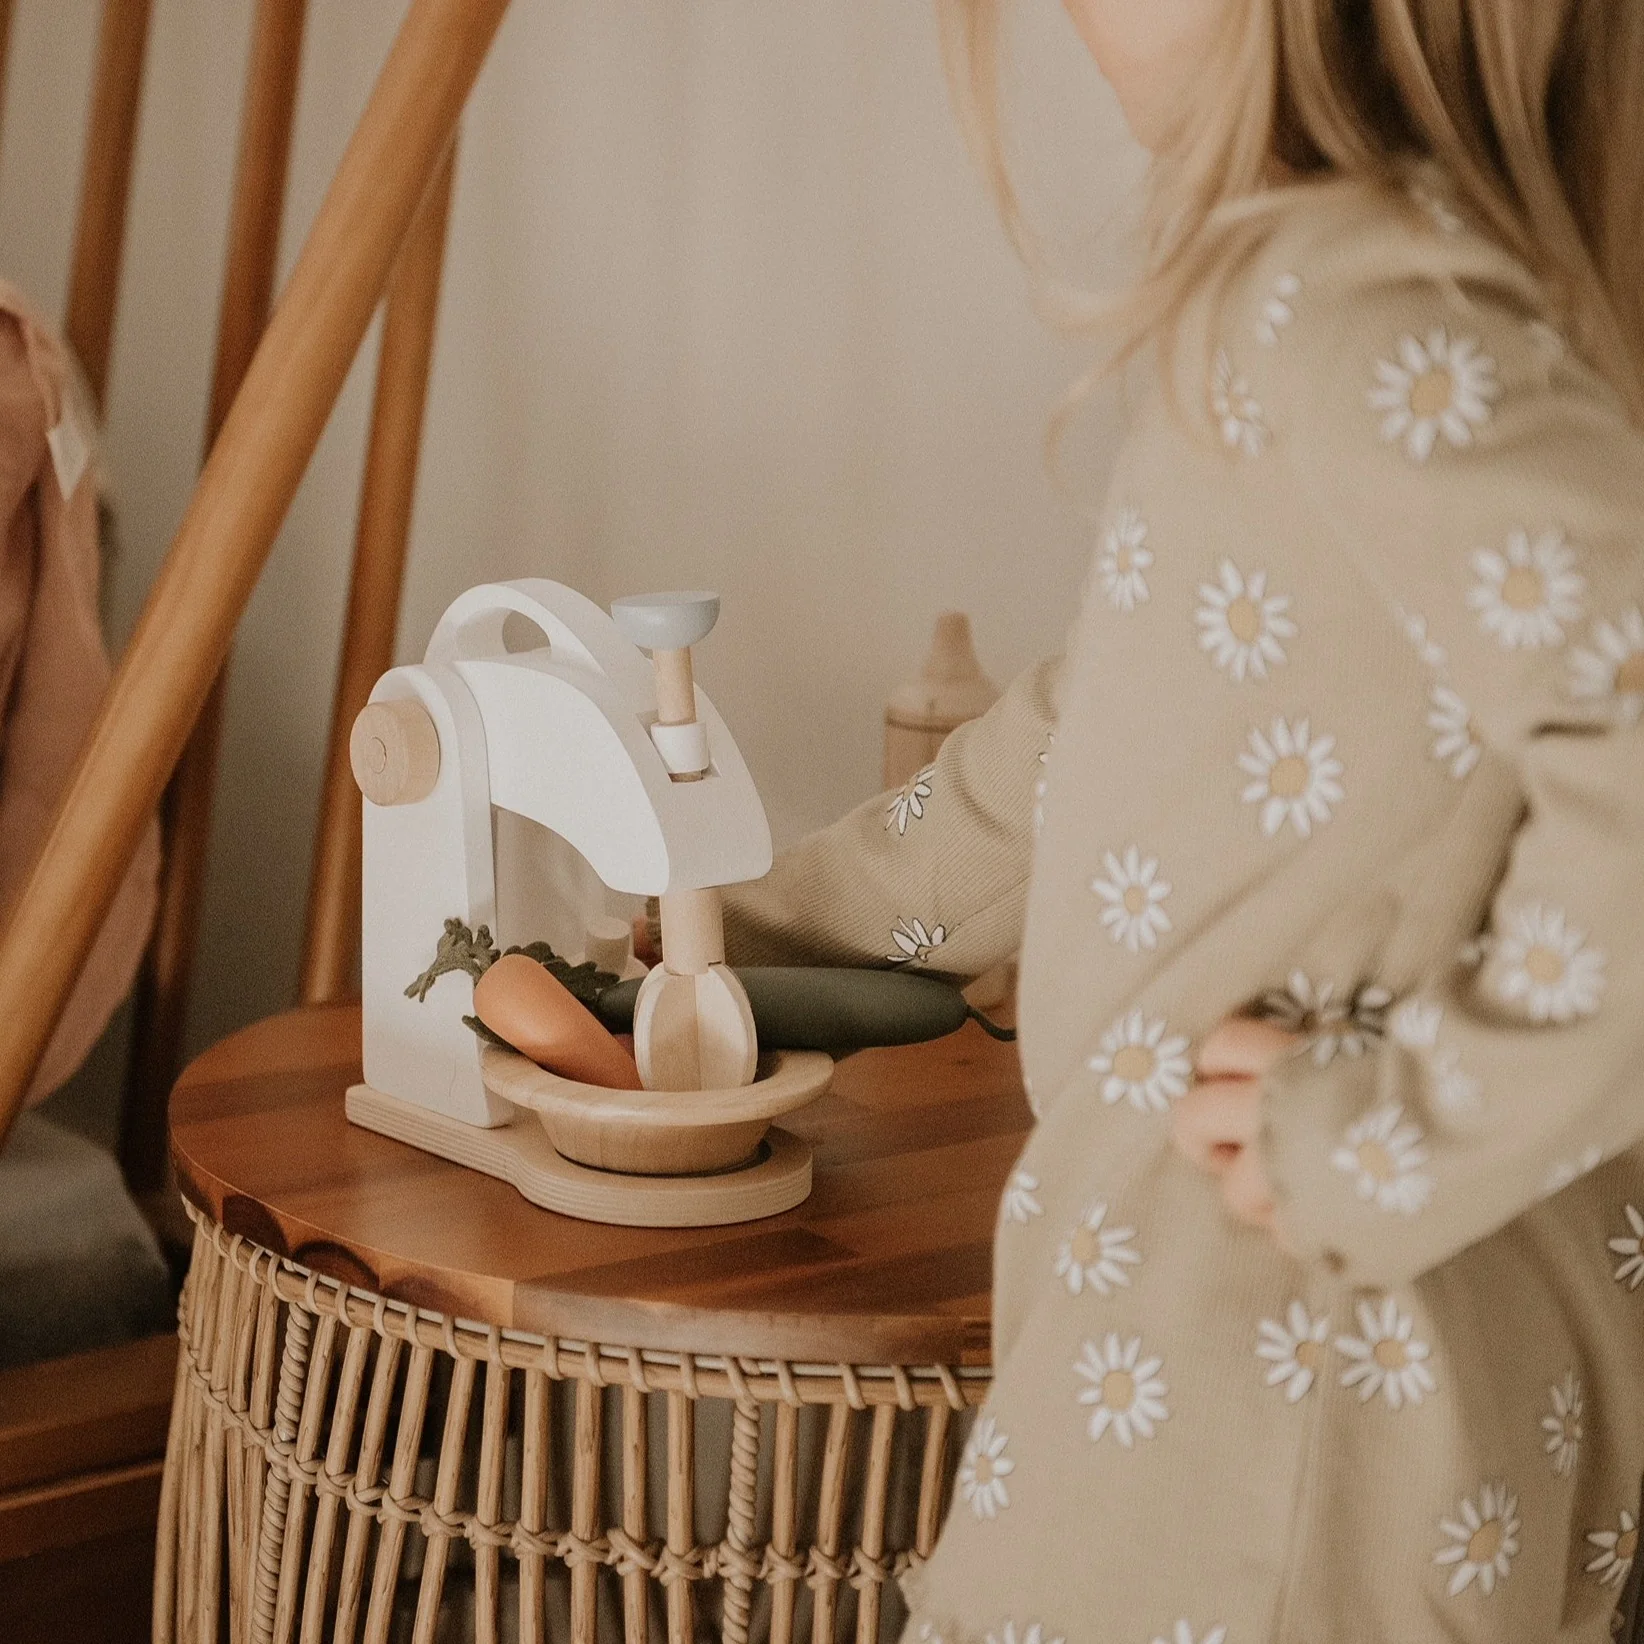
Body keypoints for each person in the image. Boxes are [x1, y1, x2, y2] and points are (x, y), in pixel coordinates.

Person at [713, 2, 1644, 1638]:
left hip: (1274, 1391)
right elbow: (1091, 740)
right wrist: (734, 941)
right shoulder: (1415, 300)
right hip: (1330, 1376)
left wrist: (1398, 1132)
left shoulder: (1343, 306)